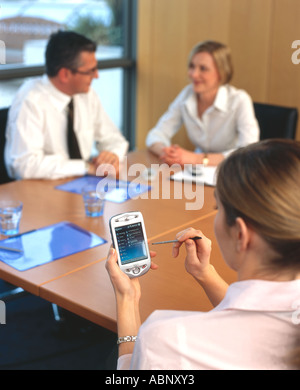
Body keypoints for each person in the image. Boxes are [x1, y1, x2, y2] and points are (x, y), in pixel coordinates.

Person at [106, 139, 300, 370]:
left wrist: (126, 299)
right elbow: (258, 312)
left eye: (218, 208)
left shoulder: (168, 341)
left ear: (240, 234)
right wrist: (205, 274)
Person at [4, 30, 129, 180]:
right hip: (38, 191)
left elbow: (114, 139)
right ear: (64, 74)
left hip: (79, 184)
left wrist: (112, 155)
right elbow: (24, 165)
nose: (96, 76)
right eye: (90, 71)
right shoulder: (30, 100)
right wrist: (84, 167)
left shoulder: (87, 95)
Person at [146, 40, 259, 167]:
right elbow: (156, 134)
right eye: (192, 66)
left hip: (230, 172)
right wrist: (167, 152)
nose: (194, 74)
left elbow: (248, 153)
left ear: (221, 73)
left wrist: (195, 158)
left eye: (203, 69)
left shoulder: (239, 100)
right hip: (196, 172)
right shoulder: (187, 94)